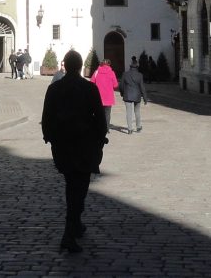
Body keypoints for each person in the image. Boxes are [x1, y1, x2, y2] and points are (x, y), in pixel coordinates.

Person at [41, 50, 108, 253]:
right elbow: (100, 118)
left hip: (62, 146)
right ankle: (69, 233)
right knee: (79, 188)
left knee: (72, 185)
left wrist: (50, 138)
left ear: (65, 65)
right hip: (84, 146)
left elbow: (46, 118)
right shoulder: (89, 88)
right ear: (79, 67)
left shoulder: (54, 89)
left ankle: (76, 224)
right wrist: (100, 139)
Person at [120, 56, 148, 133]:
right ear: (137, 67)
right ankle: (138, 127)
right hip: (137, 95)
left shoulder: (125, 74)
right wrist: (145, 98)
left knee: (129, 112)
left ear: (130, 66)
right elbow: (142, 87)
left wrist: (122, 93)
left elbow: (121, 85)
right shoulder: (140, 75)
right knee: (137, 112)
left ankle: (129, 129)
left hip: (127, 95)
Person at [90, 58, 119, 129]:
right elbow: (115, 85)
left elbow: (91, 82)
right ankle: (106, 128)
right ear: (109, 64)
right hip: (108, 97)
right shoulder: (111, 72)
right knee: (107, 114)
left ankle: (99, 127)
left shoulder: (96, 72)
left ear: (101, 64)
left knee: (99, 113)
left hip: (98, 97)